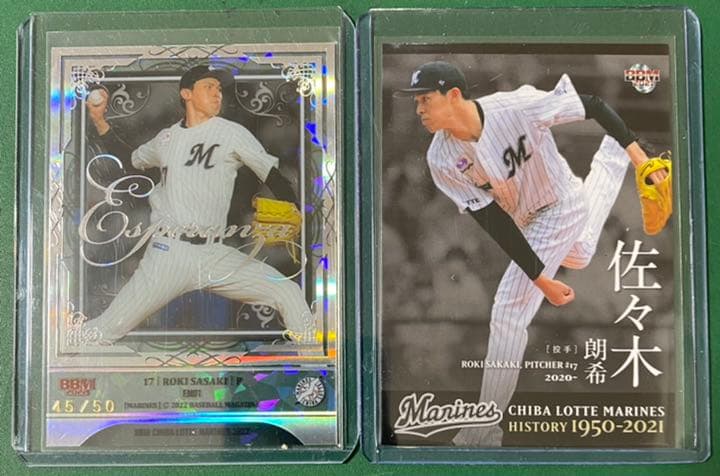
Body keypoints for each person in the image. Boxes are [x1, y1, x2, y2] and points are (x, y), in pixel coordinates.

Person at [397, 61, 671, 447]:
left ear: (453, 95)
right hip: (529, 220)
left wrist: (642, 157)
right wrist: (542, 277)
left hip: (557, 204)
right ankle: (612, 155)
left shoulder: (515, 107)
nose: (418, 109)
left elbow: (592, 105)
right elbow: (493, 221)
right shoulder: (441, 158)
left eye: (425, 99)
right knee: (579, 254)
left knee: (509, 309)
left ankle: (484, 428)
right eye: (416, 101)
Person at [81, 65, 316, 347]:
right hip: (169, 254)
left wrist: (294, 206)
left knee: (288, 292)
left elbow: (272, 175)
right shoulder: (166, 138)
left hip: (214, 254)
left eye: (219, 88)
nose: (217, 94)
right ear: (187, 93)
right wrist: (99, 121)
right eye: (209, 87)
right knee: (106, 329)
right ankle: (66, 357)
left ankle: (312, 362)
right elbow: (130, 160)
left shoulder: (231, 132)